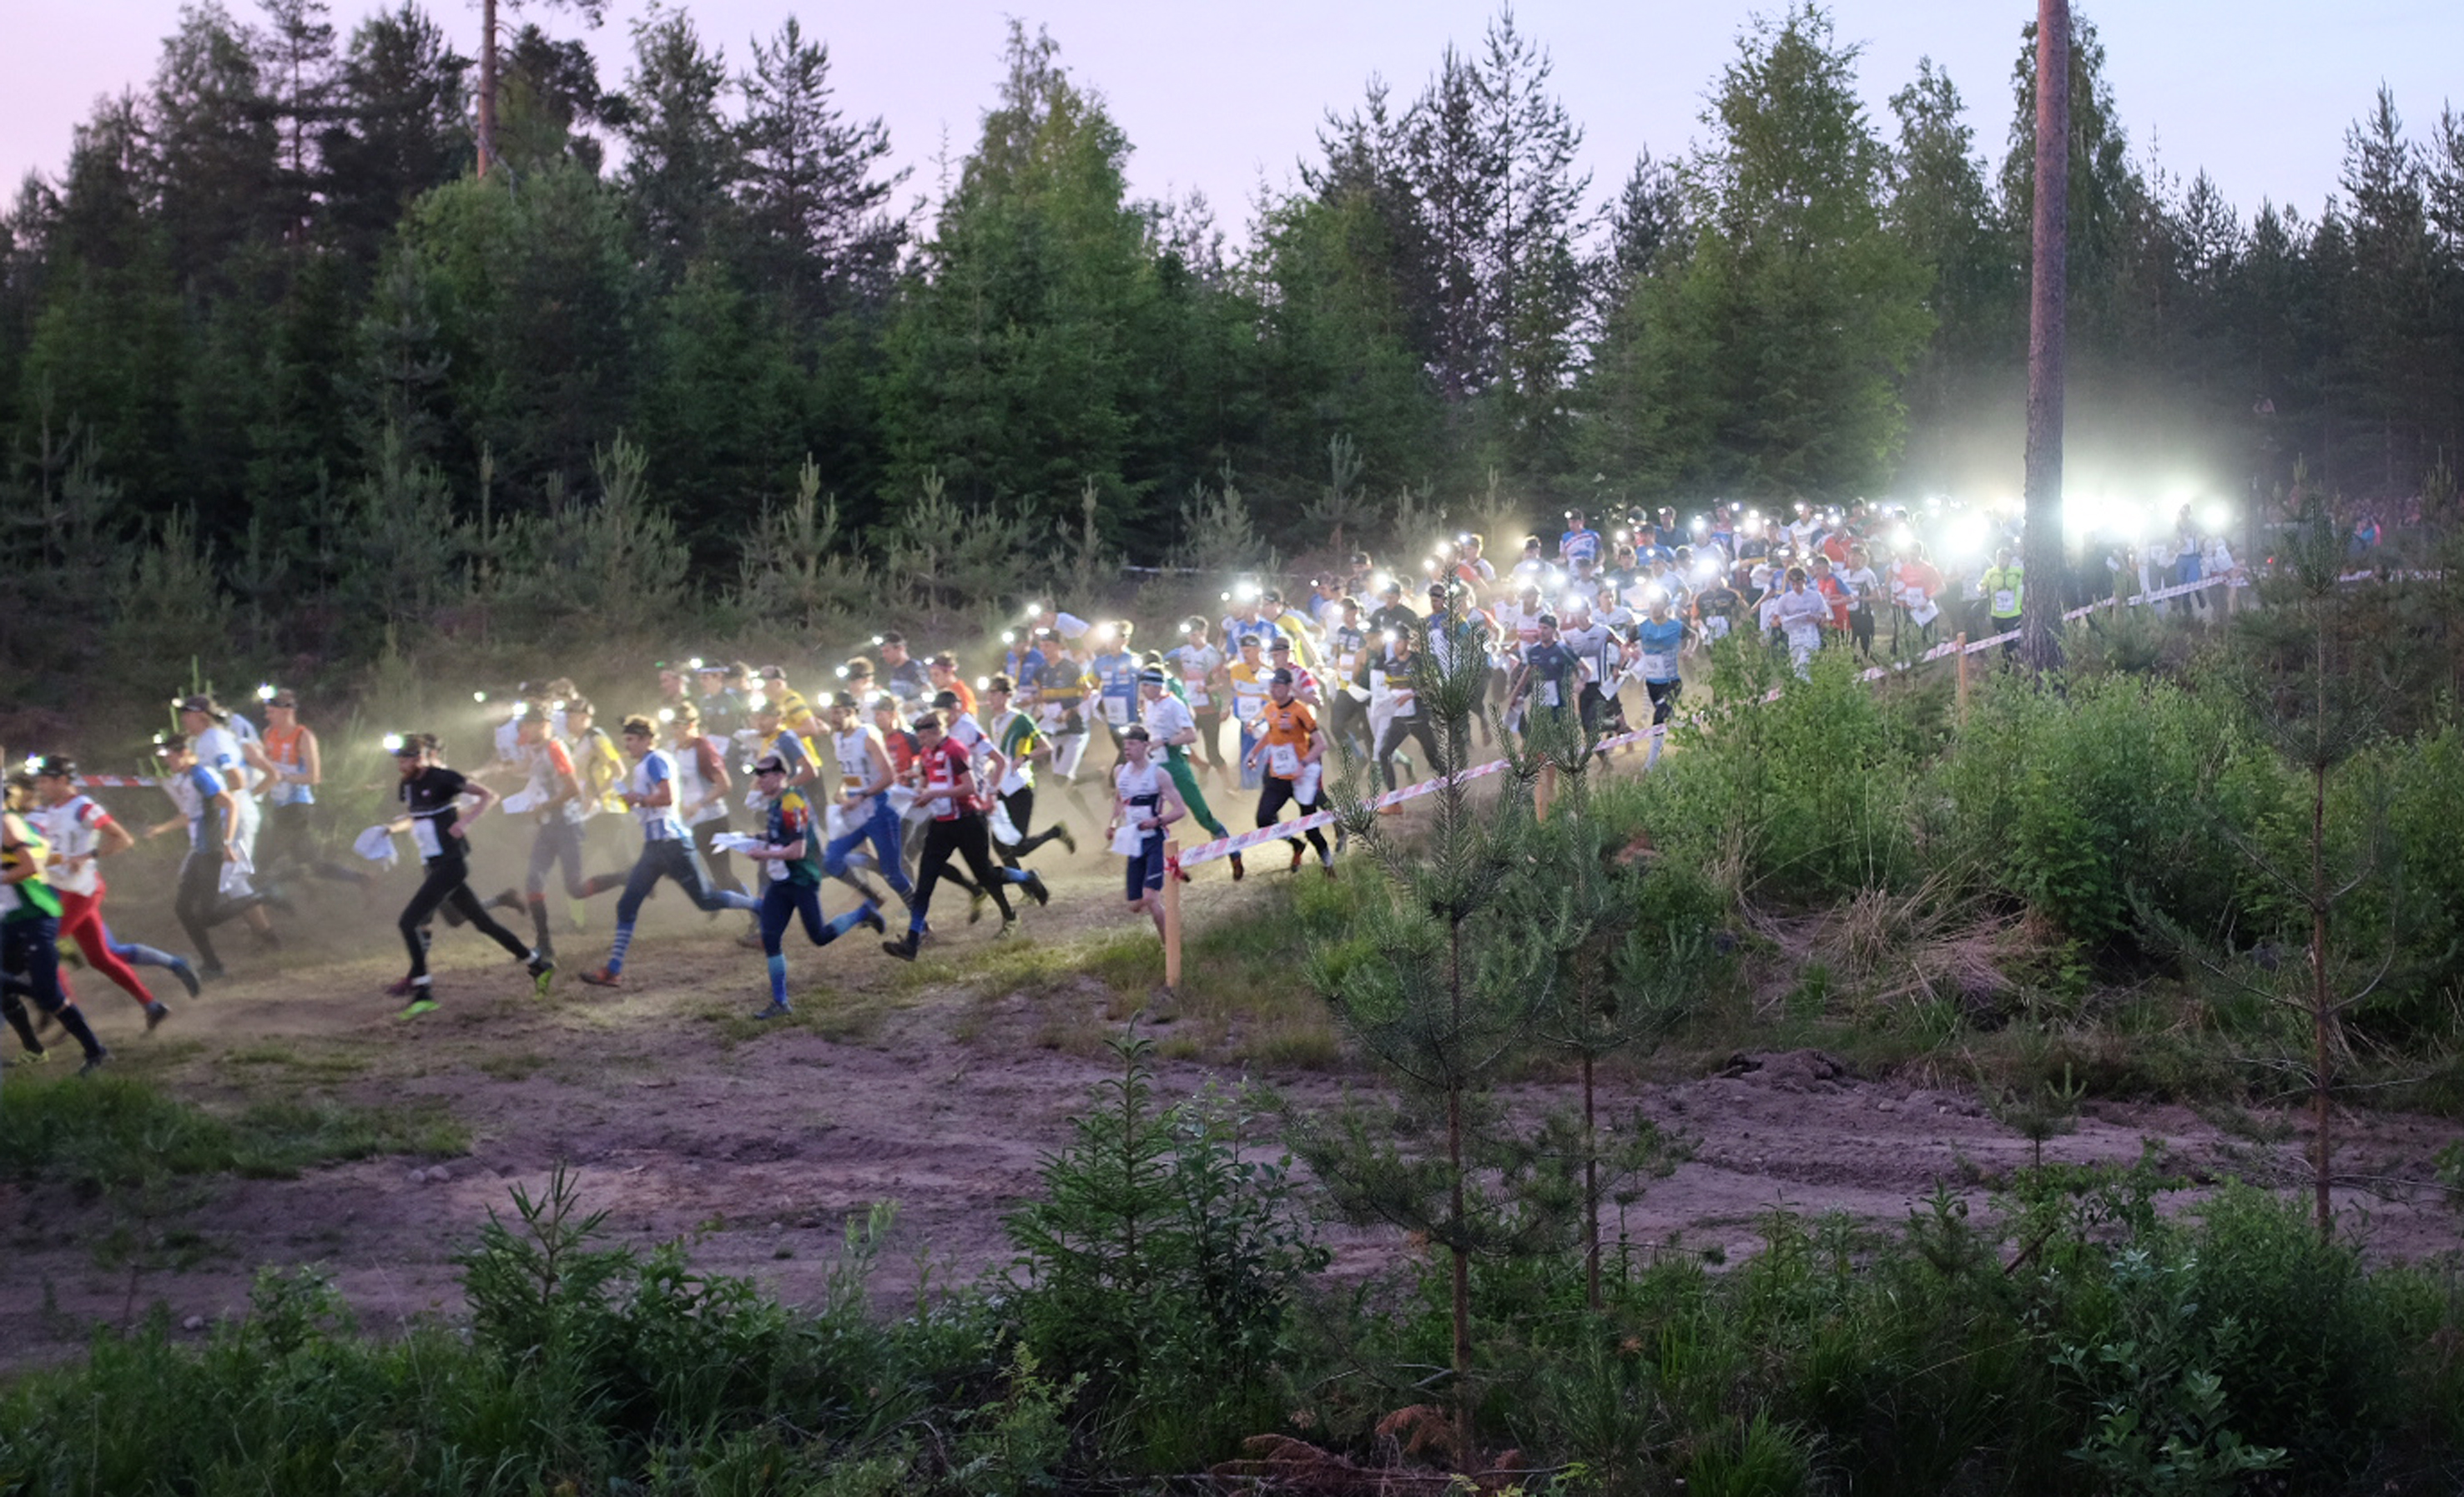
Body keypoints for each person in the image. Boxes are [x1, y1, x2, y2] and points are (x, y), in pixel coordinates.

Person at [577, 717, 760, 989]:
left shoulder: (656, 760)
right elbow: (652, 804)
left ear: (646, 739)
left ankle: (759, 906)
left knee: (707, 900)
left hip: (673, 845)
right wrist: (632, 801)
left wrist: (638, 799)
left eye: (631, 740)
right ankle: (613, 970)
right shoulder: (645, 764)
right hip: (656, 847)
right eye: (626, 740)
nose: (627, 745)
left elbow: (667, 797)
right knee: (627, 905)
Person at [383, 733, 553, 1016]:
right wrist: (388, 831)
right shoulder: (407, 786)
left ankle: (424, 992)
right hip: (433, 864)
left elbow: (489, 795)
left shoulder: (443, 778)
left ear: (419, 757)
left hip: (451, 865)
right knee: (483, 923)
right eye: (398, 760)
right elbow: (415, 818)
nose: (401, 765)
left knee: (409, 921)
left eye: (405, 760)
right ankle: (537, 964)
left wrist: (466, 821)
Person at [879, 712, 1050, 960]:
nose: (921, 742)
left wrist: (934, 795)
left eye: (924, 736)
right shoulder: (927, 753)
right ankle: (912, 943)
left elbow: (968, 787)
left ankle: (1028, 878)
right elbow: (927, 781)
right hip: (941, 825)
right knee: (925, 883)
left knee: (986, 875)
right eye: (919, 737)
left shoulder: (955, 750)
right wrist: (915, 789)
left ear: (936, 731)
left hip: (969, 822)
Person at [30, 756, 175, 1028]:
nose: (41, 786)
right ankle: (153, 1006)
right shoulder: (51, 810)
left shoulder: (85, 807)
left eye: (45, 781)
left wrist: (88, 856)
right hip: (63, 889)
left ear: (63, 780)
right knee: (100, 958)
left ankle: (66, 1013)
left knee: (43, 946)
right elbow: (57, 852)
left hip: (79, 891)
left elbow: (123, 839)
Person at [739, 752, 885, 1020]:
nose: (759, 780)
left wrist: (763, 853)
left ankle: (864, 912)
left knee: (820, 937)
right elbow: (779, 835)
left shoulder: (792, 803)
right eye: (757, 774)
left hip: (802, 879)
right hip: (781, 880)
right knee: (770, 937)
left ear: (781, 776)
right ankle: (780, 1003)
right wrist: (753, 838)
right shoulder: (777, 801)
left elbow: (797, 850)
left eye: (764, 774)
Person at [2, 774, 109, 1073]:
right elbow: (46, 855)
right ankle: (35, 1048)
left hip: (35, 916)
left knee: (48, 994)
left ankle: (96, 1051)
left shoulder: (8, 824)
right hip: (13, 919)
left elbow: (30, 865)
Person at [142, 733, 265, 982]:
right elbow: (189, 816)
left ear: (184, 752)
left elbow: (230, 804)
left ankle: (265, 895)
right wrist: (160, 829)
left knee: (208, 916)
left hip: (211, 851)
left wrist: (227, 843)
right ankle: (212, 965)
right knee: (183, 909)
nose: (166, 761)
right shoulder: (188, 777)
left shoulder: (200, 776)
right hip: (200, 851)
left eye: (169, 756)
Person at [482, 702, 597, 964]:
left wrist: (544, 805)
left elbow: (572, 789)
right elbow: (523, 766)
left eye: (529, 725)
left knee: (576, 888)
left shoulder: (555, 748)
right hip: (548, 824)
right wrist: (497, 770)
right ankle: (544, 945)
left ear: (544, 726)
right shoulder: (536, 748)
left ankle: (625, 877)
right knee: (534, 881)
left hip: (567, 824)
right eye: (523, 725)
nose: (524, 729)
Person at [253, 688, 372, 893]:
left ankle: (267, 902)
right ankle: (361, 879)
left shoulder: (303, 737)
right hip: (279, 805)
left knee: (261, 860)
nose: (267, 716)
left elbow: (314, 777)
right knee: (312, 863)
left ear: (287, 711)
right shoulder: (268, 734)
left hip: (298, 807)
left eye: (271, 712)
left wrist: (283, 777)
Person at [1135, 666, 1244, 880]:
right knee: (1148, 813)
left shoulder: (1174, 705)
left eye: (1146, 685)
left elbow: (1191, 735)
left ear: (1157, 685)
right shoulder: (1148, 704)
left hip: (1175, 765)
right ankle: (1158, 868)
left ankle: (1233, 851)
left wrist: (1165, 742)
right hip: (1154, 766)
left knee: (1202, 815)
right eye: (1142, 685)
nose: (1143, 689)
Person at [1245, 668, 1334, 876]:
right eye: (1271, 686)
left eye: (1277, 686)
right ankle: (1295, 844)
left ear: (1287, 687)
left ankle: (1329, 866)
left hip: (1300, 778)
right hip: (1278, 777)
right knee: (1264, 820)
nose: (1273, 690)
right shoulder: (1270, 708)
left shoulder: (1300, 711)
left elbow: (1321, 744)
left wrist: (1303, 764)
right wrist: (1254, 753)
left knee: (1311, 829)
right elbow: (1271, 733)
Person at [980, 675, 1076, 866]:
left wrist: (1023, 758)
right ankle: (1026, 883)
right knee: (999, 845)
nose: (990, 697)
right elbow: (1000, 755)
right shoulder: (994, 722)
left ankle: (1056, 832)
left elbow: (1046, 747)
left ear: (1007, 695)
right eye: (989, 692)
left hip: (1020, 786)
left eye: (994, 692)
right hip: (1002, 786)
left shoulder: (1020, 719)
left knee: (1018, 847)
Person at [1109, 726, 1187, 940]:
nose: (1127, 749)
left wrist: (1157, 821)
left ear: (1145, 746)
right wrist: (1113, 824)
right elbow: (1119, 801)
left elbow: (1180, 810)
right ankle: (1170, 920)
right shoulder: (1120, 772)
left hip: (1155, 841)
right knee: (1135, 905)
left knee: (1151, 898)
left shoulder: (1159, 774)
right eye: (1125, 745)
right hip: (1134, 841)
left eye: (1132, 744)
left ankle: (1169, 944)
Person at [667, 703, 743, 896]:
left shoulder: (704, 749)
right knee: (680, 866)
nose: (674, 731)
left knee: (722, 875)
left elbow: (724, 785)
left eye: (678, 726)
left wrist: (698, 804)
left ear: (691, 725)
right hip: (689, 821)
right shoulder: (673, 749)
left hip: (712, 820)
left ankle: (756, 907)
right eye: (672, 726)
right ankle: (714, 897)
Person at [1363, 625, 1441, 795]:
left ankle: (1452, 788)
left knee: (1434, 757)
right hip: (1399, 718)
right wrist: (1384, 700)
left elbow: (1434, 686)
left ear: (1407, 642)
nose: (1395, 646)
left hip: (1419, 717)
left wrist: (1413, 694)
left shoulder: (1421, 662)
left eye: (1399, 642)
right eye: (1393, 643)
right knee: (1384, 754)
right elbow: (1385, 688)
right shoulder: (1388, 664)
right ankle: (1393, 797)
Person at [1166, 617, 1231, 778]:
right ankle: (1201, 766)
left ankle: (1229, 785)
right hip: (1189, 708)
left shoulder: (1212, 655)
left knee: (1212, 753)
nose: (1191, 638)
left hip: (1209, 710)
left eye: (1194, 634)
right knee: (1178, 744)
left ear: (1204, 632)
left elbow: (1222, 684)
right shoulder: (1183, 651)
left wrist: (1207, 689)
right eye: (1188, 635)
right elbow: (1163, 662)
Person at [1508, 612, 1580, 738]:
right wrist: (1514, 695)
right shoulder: (1533, 651)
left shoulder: (1562, 649)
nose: (1542, 631)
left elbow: (1582, 668)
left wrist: (1579, 684)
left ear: (1554, 630)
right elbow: (1526, 673)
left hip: (1561, 698)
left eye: (1545, 628)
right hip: (1542, 696)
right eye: (1540, 628)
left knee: (1562, 733)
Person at [1774, 566, 1832, 673]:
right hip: (1794, 636)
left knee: (1803, 665)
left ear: (1804, 581)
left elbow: (1825, 617)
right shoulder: (1784, 599)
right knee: (1796, 665)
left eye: (1798, 584)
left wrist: (1817, 619)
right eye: (1793, 584)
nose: (1796, 587)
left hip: (1811, 635)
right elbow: (1775, 620)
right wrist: (1783, 620)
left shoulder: (1815, 596)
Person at [1979, 548, 2025, 655]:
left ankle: (2009, 661)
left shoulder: (2018, 572)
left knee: (2009, 642)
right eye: (1999, 558)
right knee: (2002, 641)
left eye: (2004, 558)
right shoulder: (1990, 573)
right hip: (1997, 614)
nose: (2001, 561)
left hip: (2014, 614)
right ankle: (2009, 658)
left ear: (2009, 560)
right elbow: (1981, 584)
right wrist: (1981, 589)